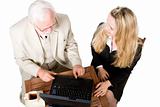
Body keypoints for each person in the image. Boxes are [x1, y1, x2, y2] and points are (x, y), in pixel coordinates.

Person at [10, 0, 85, 104]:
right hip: (34, 69)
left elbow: (70, 45)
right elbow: (21, 60)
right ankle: (24, 93)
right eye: (45, 28)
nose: (49, 31)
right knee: (31, 99)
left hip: (59, 63)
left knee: (73, 93)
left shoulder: (64, 19)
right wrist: (39, 72)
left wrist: (76, 64)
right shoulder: (16, 31)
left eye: (52, 25)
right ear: (33, 23)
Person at [91, 6, 144, 107]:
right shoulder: (102, 28)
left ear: (124, 32)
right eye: (107, 23)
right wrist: (99, 67)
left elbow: (126, 72)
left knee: (107, 101)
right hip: (97, 69)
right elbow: (94, 46)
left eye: (111, 28)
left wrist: (108, 83)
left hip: (116, 79)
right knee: (88, 98)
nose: (105, 28)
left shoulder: (136, 48)